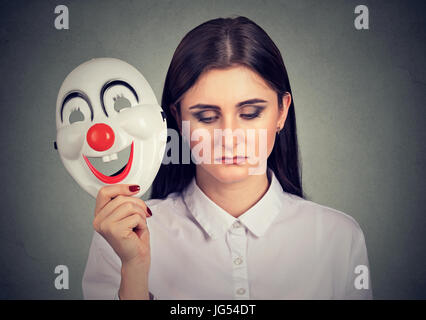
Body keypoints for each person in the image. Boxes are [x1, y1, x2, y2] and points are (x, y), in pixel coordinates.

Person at [82, 16, 373, 300]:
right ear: (177, 117)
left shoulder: (339, 238)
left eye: (250, 113)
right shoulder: (122, 238)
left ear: (282, 112)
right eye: (206, 117)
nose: (229, 136)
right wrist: (134, 270)